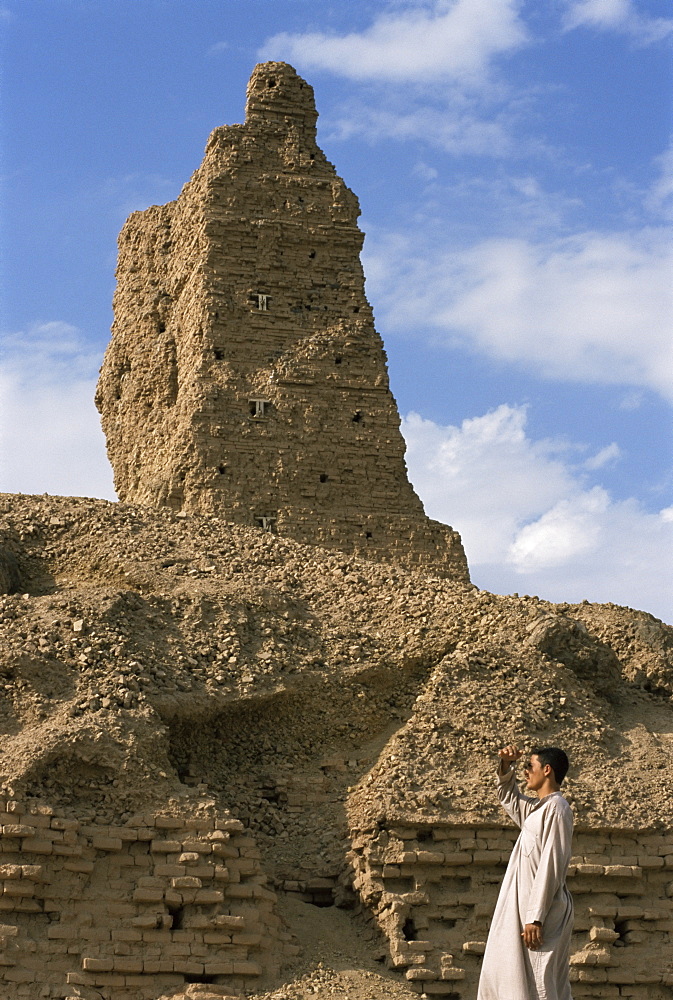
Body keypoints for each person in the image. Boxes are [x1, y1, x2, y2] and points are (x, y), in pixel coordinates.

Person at [477, 743, 574, 1000]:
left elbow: (552, 863)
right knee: (510, 976)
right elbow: (508, 796)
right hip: (524, 913)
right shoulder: (537, 809)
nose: (525, 773)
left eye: (529, 766)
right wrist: (505, 764)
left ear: (547, 769)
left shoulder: (557, 808)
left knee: (541, 983)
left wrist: (536, 917)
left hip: (542, 915)